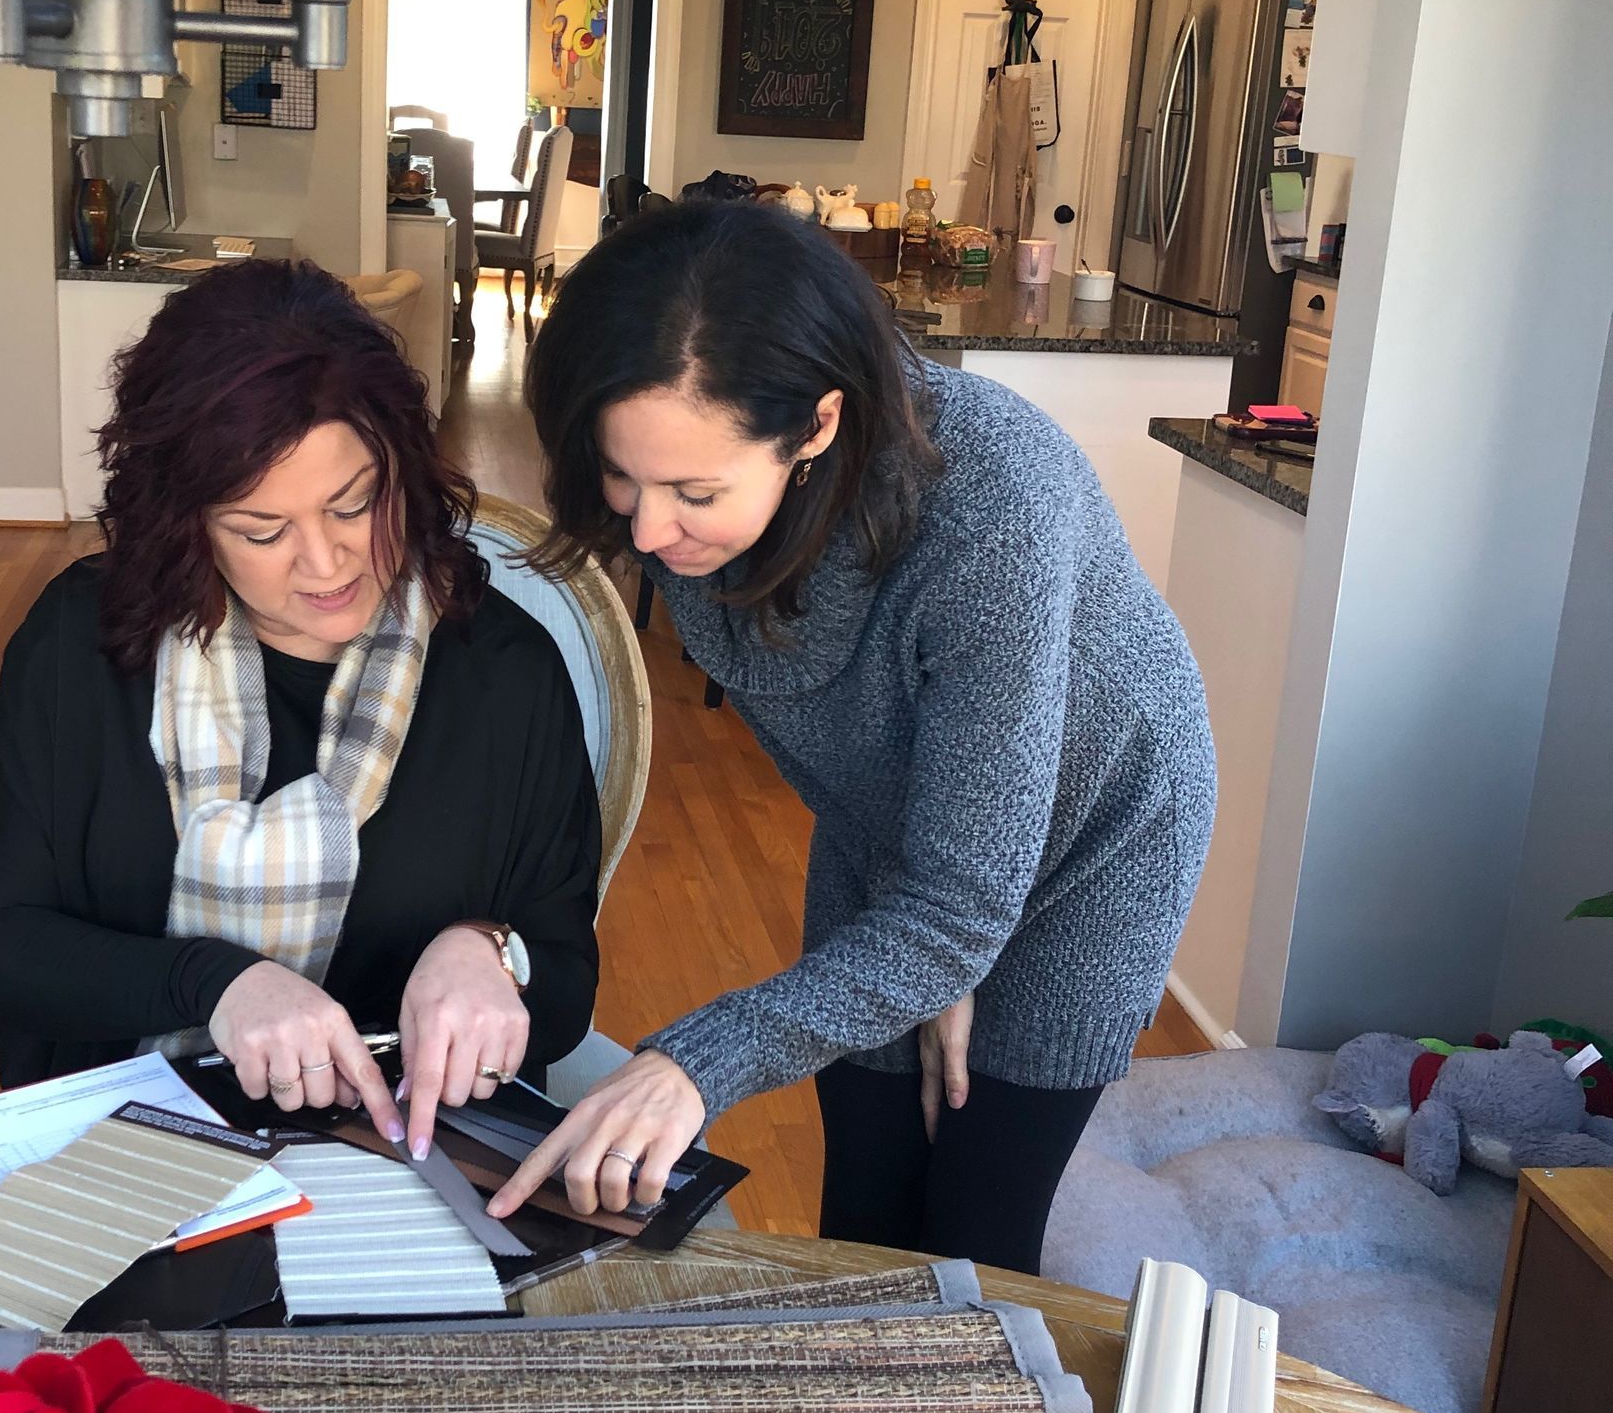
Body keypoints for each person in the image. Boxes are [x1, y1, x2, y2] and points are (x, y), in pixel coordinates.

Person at [487, 203, 1216, 1275]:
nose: (646, 532)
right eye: (622, 477)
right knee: (868, 1217)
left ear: (817, 426)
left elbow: (963, 898)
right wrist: (929, 941)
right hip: (896, 828)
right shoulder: (690, 522)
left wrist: (693, 1064)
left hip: (1096, 839)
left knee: (977, 1235)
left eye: (694, 491)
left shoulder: (993, 501)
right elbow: (880, 806)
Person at [0, 257, 600, 1151]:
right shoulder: (84, 645)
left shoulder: (505, 676)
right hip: (108, 1150)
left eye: (354, 504)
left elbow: (562, 987)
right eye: (261, 531)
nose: (326, 565)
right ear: (186, 522)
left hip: (399, 1159)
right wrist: (211, 985)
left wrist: (491, 951)